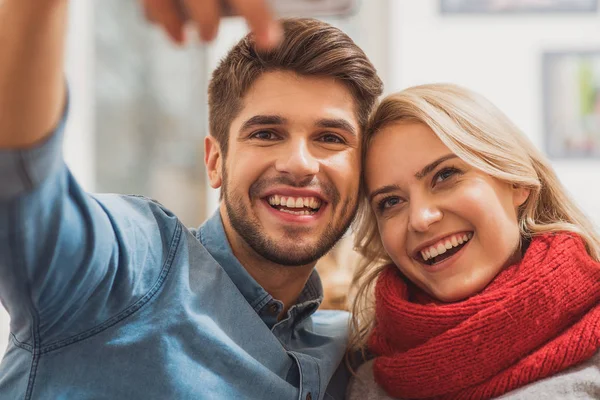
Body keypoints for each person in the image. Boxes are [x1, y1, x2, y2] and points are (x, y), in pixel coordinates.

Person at [0, 0, 383, 398]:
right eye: (266, 133)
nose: (300, 164)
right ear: (215, 162)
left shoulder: (355, 354)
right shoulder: (127, 272)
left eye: (330, 138)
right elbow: (19, 183)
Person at [346, 83, 600, 399]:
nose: (420, 218)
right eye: (391, 202)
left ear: (516, 181)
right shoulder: (359, 375)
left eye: (444, 176)